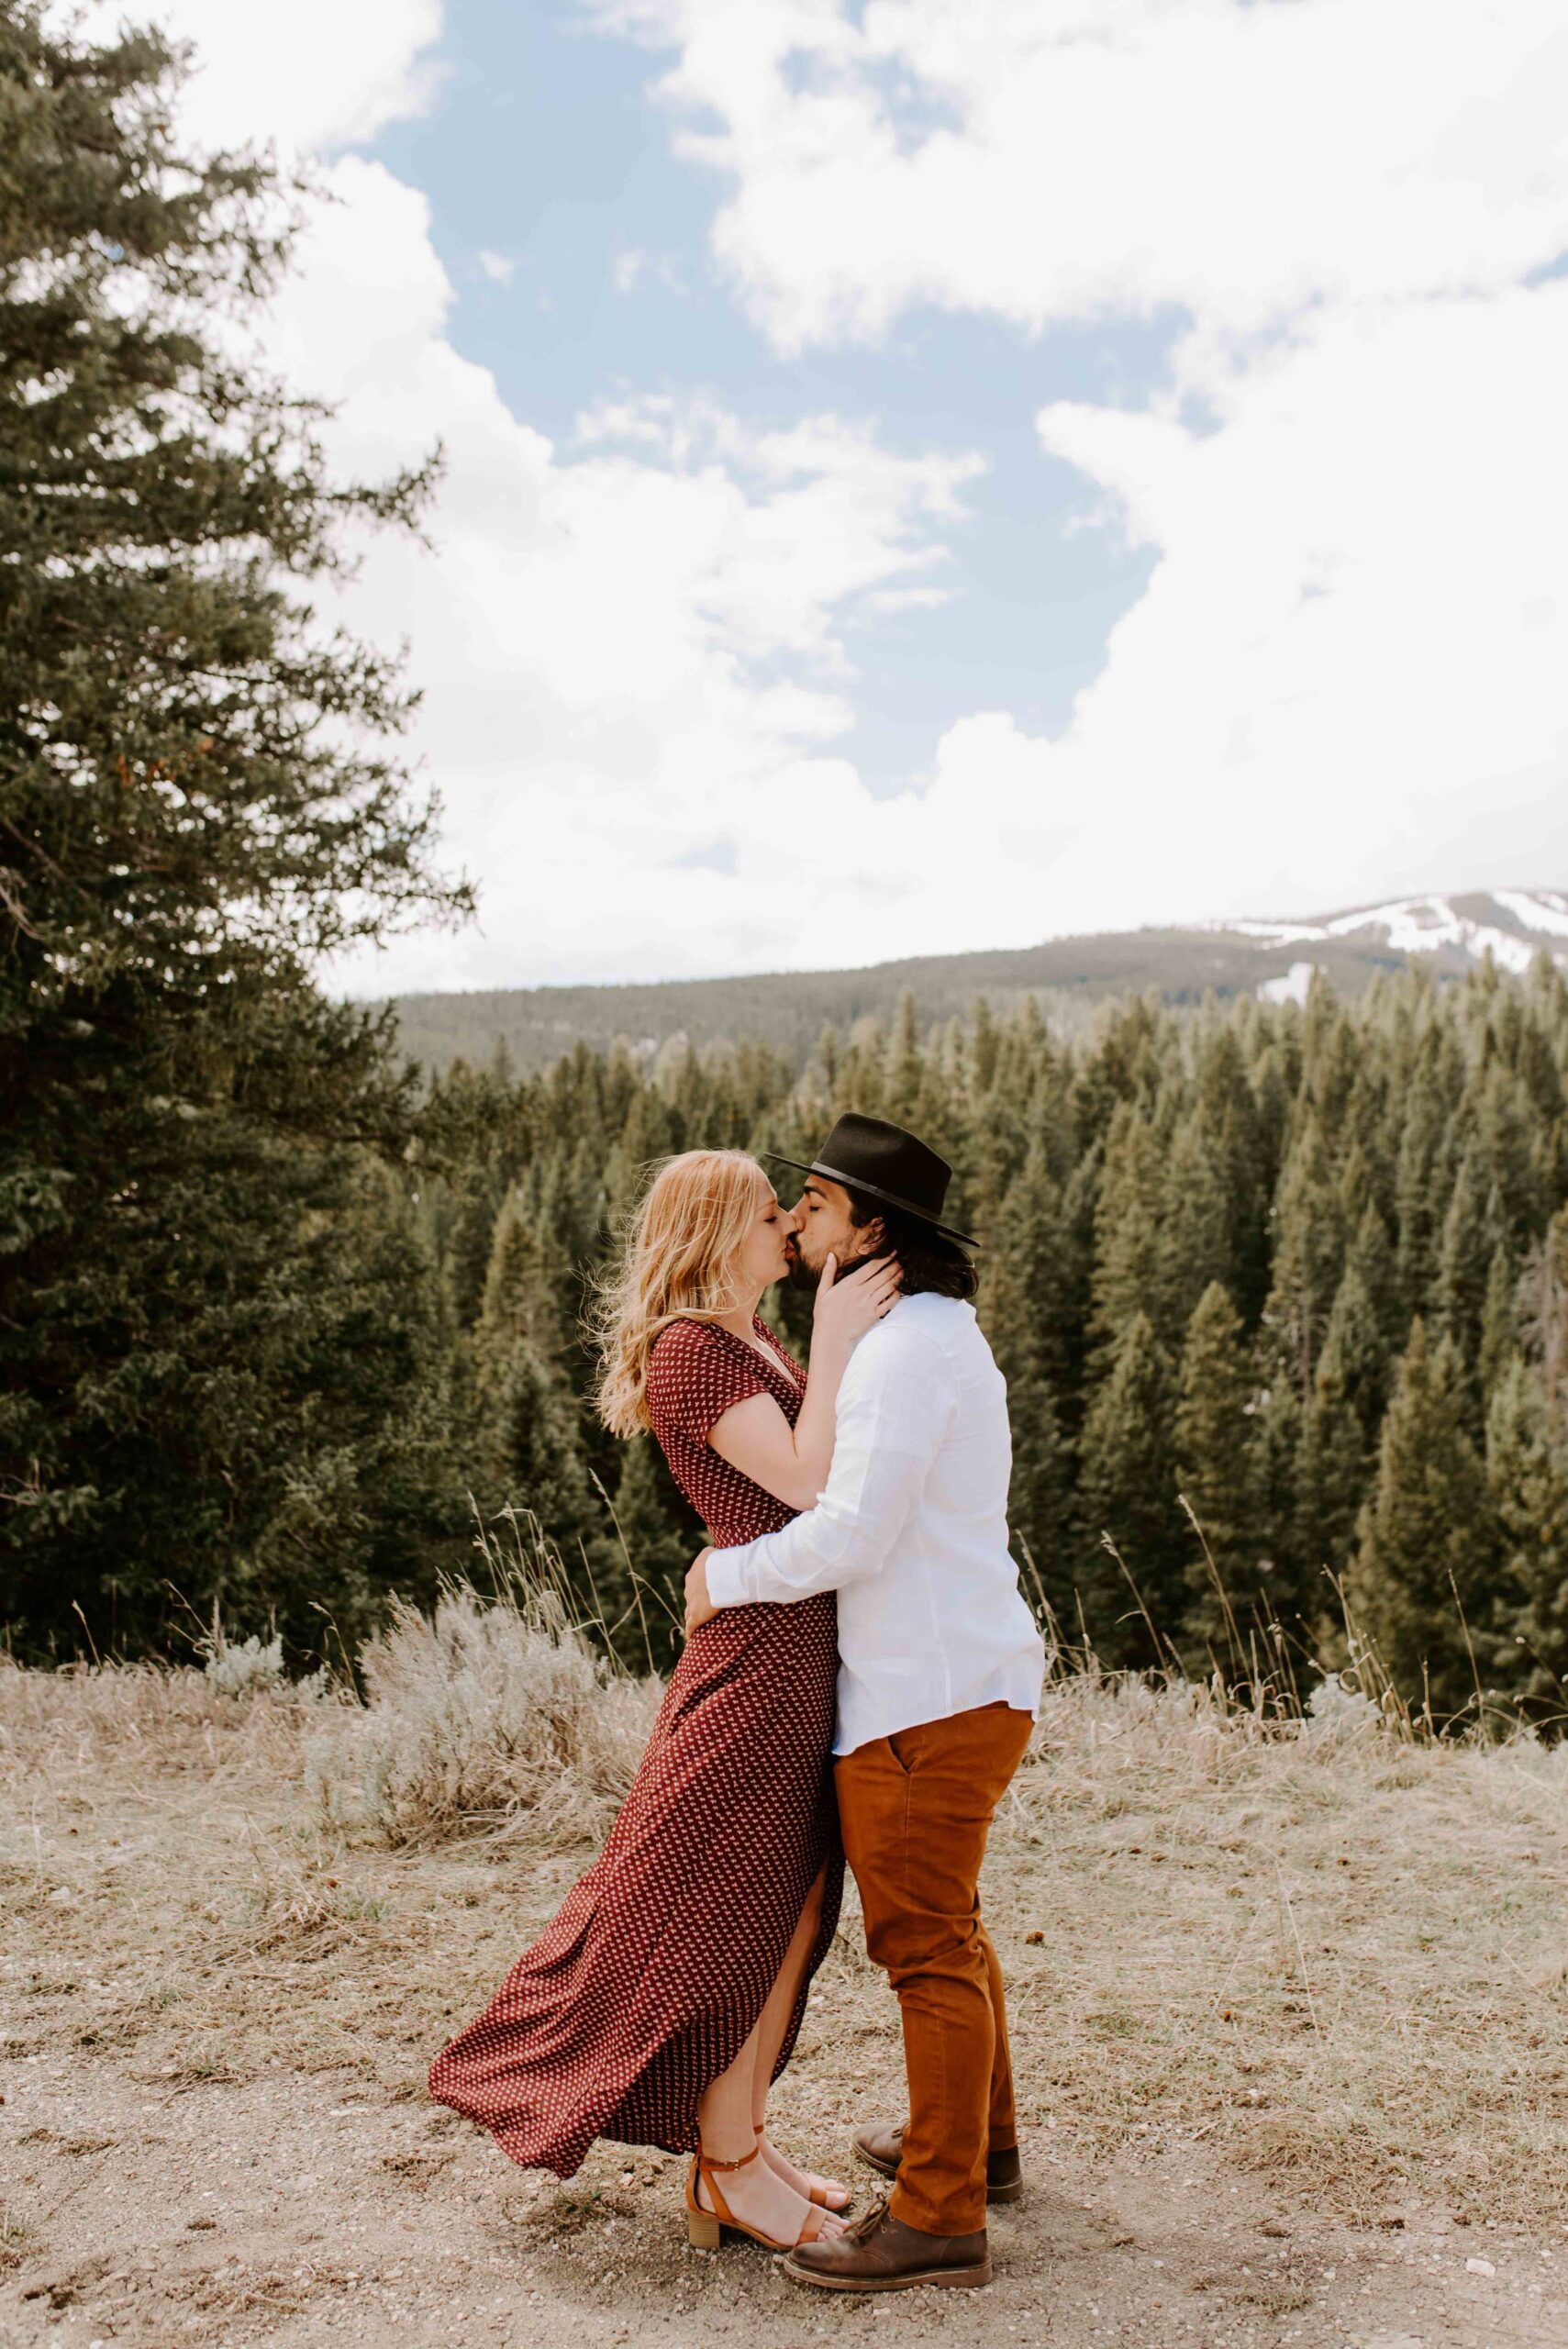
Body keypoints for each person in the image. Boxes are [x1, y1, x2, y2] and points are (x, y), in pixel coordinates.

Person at [428, 1149, 901, 2254]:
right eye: (765, 1212)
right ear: (713, 1229)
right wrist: (834, 1345)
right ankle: (728, 2166)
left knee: (786, 1907)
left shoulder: (747, 1338)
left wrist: (816, 1350)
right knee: (729, 1908)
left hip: (795, 1644)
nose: (787, 1225)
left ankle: (736, 2146)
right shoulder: (690, 1349)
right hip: (757, 1663)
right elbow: (800, 1484)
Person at [684, 1113, 1048, 2295]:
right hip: (963, 1681)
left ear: (870, 1231)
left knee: (924, 1945)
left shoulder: (897, 1356)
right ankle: (974, 2146)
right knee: (952, 1924)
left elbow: (849, 1531)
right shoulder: (942, 1334)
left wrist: (718, 1576)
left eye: (815, 1206)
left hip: (919, 1701)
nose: (795, 1222)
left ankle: (938, 2216)